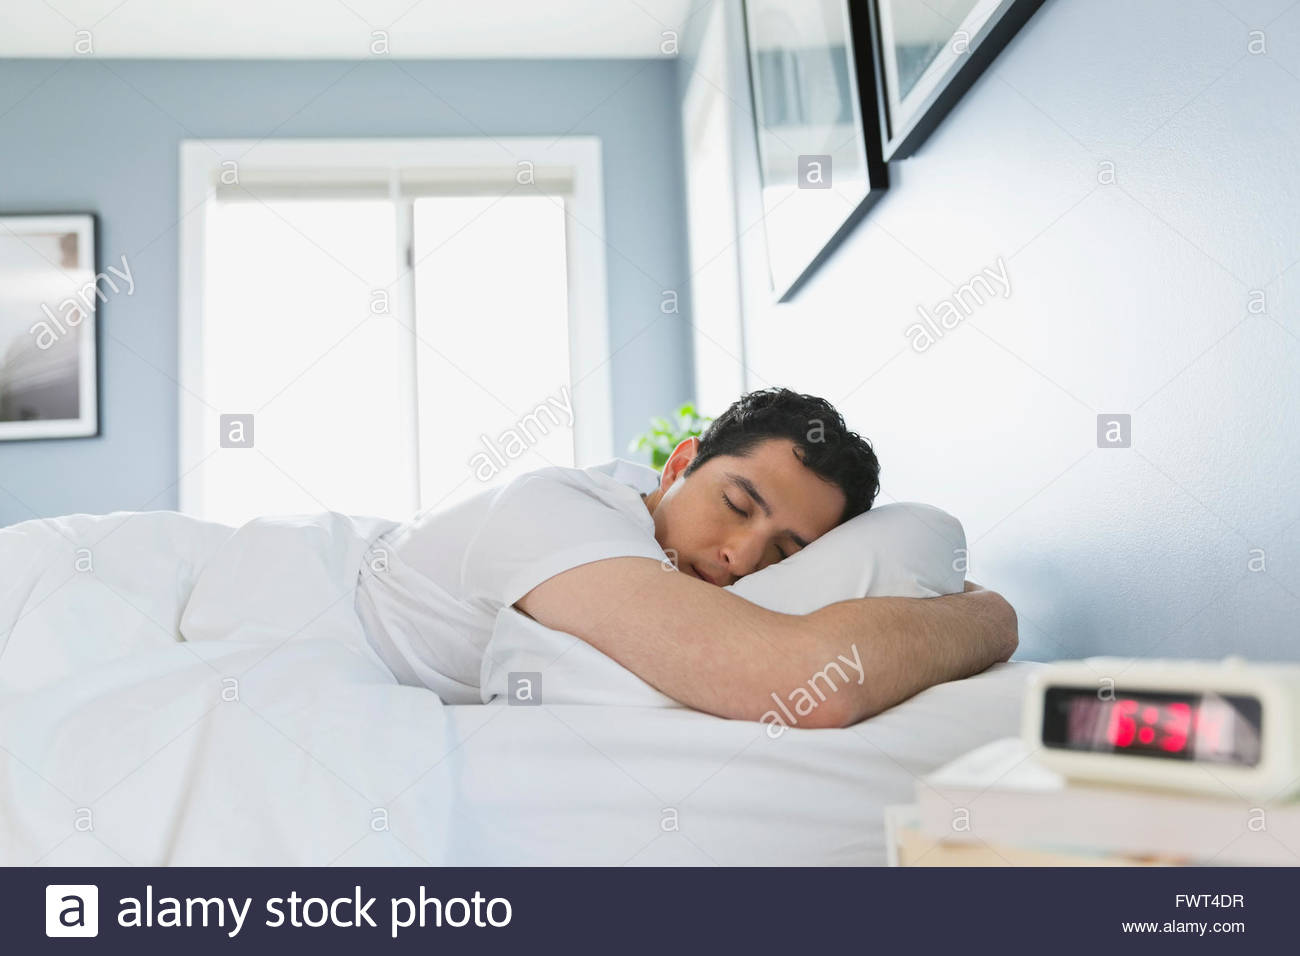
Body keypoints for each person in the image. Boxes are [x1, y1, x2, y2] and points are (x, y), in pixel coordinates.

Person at [355, 387, 1017, 726]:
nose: (740, 556)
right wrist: (991, 614)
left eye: (785, 552)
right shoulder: (558, 511)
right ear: (679, 464)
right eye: (736, 505)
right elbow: (811, 686)